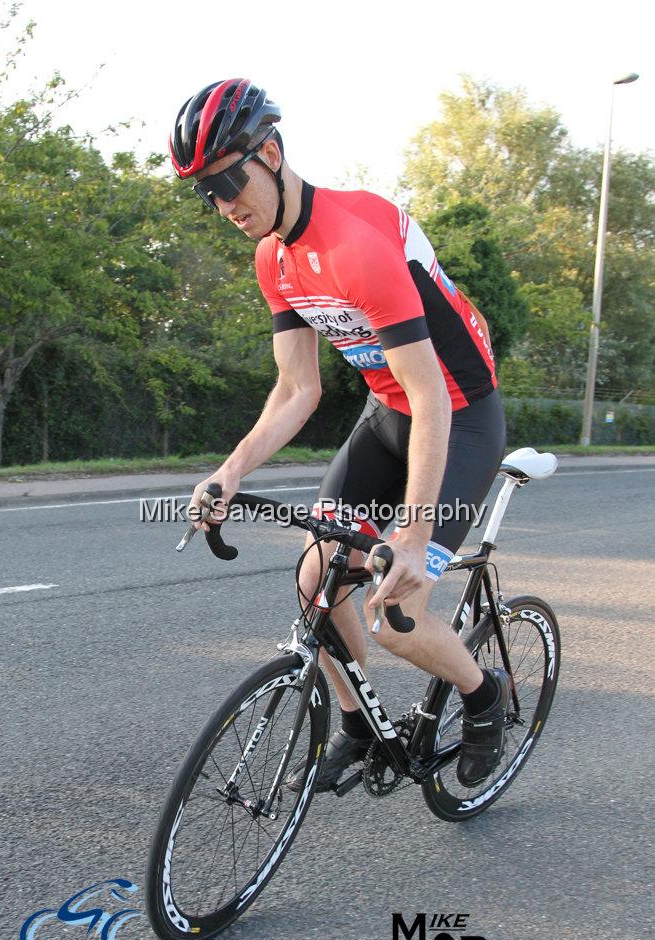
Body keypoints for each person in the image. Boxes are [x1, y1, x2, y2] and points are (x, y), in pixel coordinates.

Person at [169, 79, 509, 792]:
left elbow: (432, 398)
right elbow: (298, 388)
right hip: (386, 416)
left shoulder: (356, 243)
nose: (225, 205)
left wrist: (412, 538)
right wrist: (227, 474)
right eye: (207, 193)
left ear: (269, 152)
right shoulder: (275, 258)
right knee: (315, 576)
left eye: (230, 180)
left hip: (458, 414)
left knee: (395, 616)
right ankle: (357, 727)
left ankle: (484, 697)